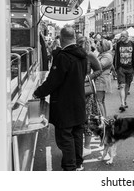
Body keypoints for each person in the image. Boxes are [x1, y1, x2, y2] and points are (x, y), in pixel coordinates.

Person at [33, 26, 87, 171]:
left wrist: (37, 93)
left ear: (61, 38)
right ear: (74, 37)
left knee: (65, 137)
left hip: (65, 104)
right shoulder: (83, 55)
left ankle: (70, 167)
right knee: (77, 134)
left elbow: (53, 81)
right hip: (79, 102)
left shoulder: (63, 57)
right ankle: (78, 164)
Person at [76, 36, 102, 157]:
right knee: (77, 119)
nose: (83, 47)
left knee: (88, 119)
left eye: (85, 45)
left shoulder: (90, 55)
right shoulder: (74, 55)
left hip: (87, 92)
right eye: (81, 44)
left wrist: (88, 77)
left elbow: (98, 70)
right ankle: (78, 145)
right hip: (75, 91)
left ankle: (87, 146)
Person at [114, 30, 134, 112]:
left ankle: (124, 100)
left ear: (127, 36)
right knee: (122, 86)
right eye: (121, 36)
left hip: (130, 68)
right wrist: (115, 67)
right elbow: (116, 56)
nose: (122, 38)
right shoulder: (118, 44)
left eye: (123, 36)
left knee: (127, 85)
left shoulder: (133, 44)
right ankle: (122, 104)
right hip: (121, 68)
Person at [94, 38, 113, 118]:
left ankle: (103, 119)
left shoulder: (107, 56)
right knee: (101, 101)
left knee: (99, 101)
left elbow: (99, 66)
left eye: (98, 45)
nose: (96, 47)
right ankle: (104, 117)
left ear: (103, 47)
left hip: (101, 80)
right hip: (101, 79)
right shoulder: (104, 55)